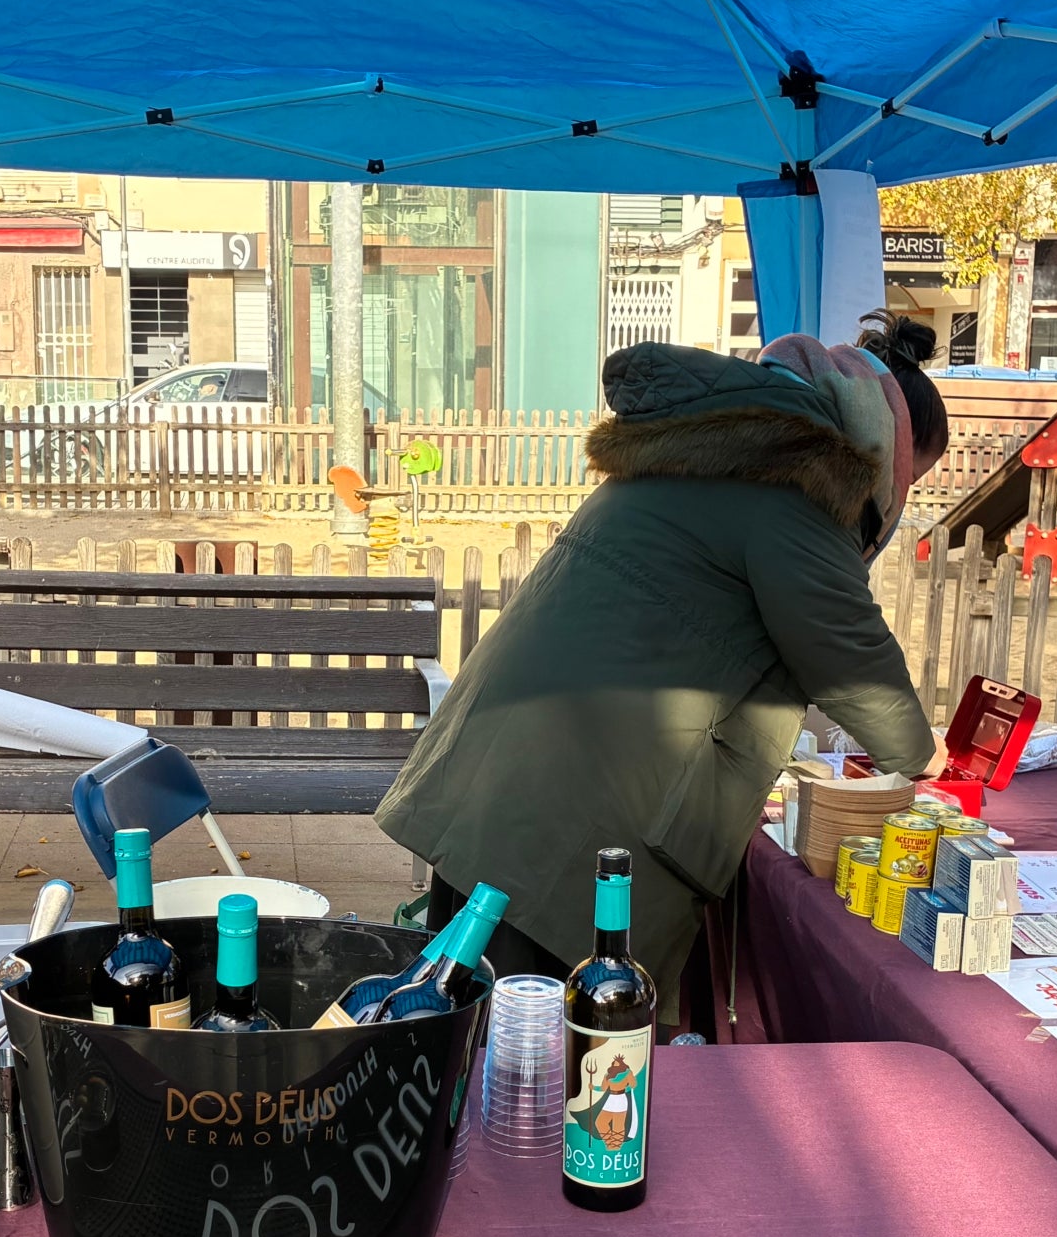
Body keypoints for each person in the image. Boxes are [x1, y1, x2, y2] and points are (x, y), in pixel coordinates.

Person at [376, 316, 947, 1020]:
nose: (901, 500)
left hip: (500, 771)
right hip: (572, 806)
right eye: (911, 478)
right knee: (546, 1044)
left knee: (463, 1014)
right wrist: (924, 756)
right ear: (884, 445)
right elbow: (850, 656)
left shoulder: (700, 456)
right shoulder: (794, 496)